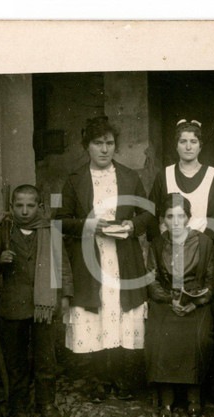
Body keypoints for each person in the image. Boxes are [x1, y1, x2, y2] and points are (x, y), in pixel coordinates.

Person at [55, 116, 153, 402]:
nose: (104, 149)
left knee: (122, 315)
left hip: (123, 257)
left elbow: (148, 213)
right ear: (87, 146)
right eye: (98, 143)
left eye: (109, 143)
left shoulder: (129, 176)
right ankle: (99, 382)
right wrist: (89, 224)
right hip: (90, 260)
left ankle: (122, 379)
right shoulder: (73, 180)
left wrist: (133, 226)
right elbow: (60, 221)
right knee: (95, 316)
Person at [0, 184, 73, 417]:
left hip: (44, 305)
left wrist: (64, 298)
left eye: (30, 205)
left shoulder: (50, 231)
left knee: (46, 358)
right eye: (19, 205)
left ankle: (46, 404)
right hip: (14, 304)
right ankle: (19, 408)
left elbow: (63, 266)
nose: (24, 211)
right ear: (12, 207)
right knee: (17, 360)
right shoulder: (5, 230)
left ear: (39, 207)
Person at [145, 194, 214, 417]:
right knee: (160, 336)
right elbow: (151, 279)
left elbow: (210, 278)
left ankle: (193, 398)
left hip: (196, 301)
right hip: (167, 300)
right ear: (163, 219)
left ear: (188, 217)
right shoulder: (157, 243)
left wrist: (196, 302)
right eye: (169, 216)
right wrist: (168, 299)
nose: (175, 222)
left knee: (197, 336)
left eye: (180, 216)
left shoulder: (204, 242)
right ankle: (166, 401)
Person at [148, 119, 214, 236]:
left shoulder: (212, 175)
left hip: (202, 246)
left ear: (200, 146)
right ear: (176, 146)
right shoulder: (164, 175)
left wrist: (202, 243)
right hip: (170, 247)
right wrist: (161, 242)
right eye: (183, 141)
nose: (188, 147)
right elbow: (151, 212)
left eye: (193, 142)